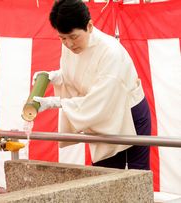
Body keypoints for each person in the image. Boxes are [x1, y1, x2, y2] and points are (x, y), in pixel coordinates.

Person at [33, 0, 151, 170]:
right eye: (62, 38)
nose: (69, 44)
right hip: (100, 110)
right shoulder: (69, 45)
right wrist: (54, 77)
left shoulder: (111, 52)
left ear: (89, 26)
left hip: (127, 112)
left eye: (73, 37)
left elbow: (100, 100)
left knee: (136, 173)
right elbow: (76, 75)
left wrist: (55, 102)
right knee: (104, 171)